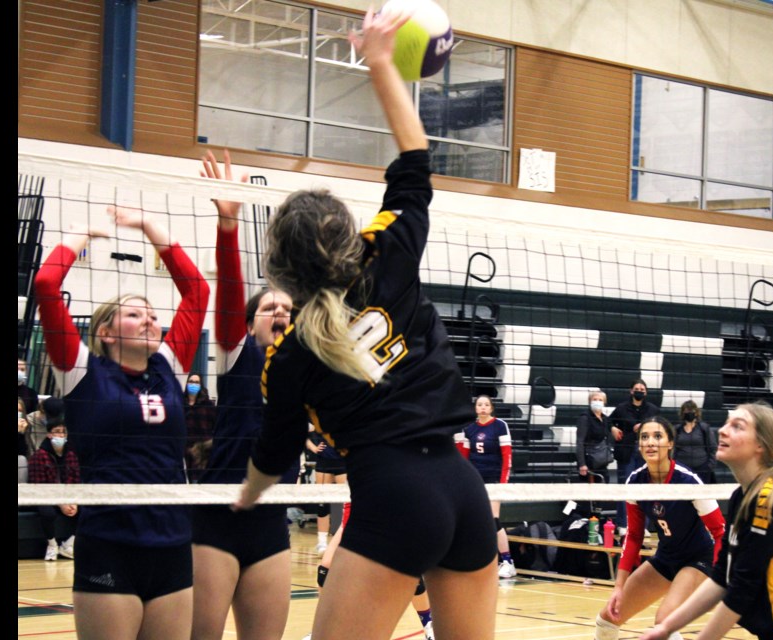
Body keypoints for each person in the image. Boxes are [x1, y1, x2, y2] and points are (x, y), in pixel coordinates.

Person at [234, 10, 499, 640]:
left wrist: (247, 496)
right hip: (463, 489)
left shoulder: (289, 353)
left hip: (394, 496)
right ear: (348, 235)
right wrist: (381, 62)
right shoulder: (388, 255)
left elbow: (273, 454)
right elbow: (414, 158)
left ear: (281, 271)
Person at [34, 207, 209, 640]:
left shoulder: (167, 366)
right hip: (110, 542)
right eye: (135, 315)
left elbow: (197, 293)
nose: (150, 319)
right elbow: (45, 285)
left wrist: (154, 231)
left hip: (171, 543)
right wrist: (77, 236)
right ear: (107, 333)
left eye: (152, 314)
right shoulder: (81, 372)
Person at [189, 149, 295, 640]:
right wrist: (228, 226)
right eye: (269, 306)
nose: (279, 312)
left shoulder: (306, 367)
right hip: (217, 517)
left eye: (287, 309)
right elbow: (230, 291)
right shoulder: (237, 354)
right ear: (250, 321)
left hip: (272, 525)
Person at [640, 403, 773, 640]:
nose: (722, 430)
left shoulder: (767, 500)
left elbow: (742, 589)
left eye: (737, 426)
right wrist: (666, 627)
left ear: (760, 445)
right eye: (726, 423)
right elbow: (722, 577)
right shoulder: (741, 496)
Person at [594, 417, 724, 640]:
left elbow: (720, 531)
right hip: (666, 558)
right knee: (608, 618)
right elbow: (634, 536)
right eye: (645, 437)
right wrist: (618, 586)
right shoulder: (636, 481)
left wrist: (719, 579)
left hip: (698, 559)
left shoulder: (688, 481)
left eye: (657, 436)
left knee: (664, 622)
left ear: (670, 443)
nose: (650, 442)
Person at [303, 501, 436, 640]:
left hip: (387, 516)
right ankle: (324, 630)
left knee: (407, 569)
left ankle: (428, 624)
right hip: (353, 518)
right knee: (326, 569)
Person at [456, 395, 516, 578]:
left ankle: (507, 561)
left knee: (493, 520)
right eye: (479, 405)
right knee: (474, 520)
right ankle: (481, 562)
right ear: (475, 409)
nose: (482, 407)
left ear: (491, 408)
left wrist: (503, 482)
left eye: (486, 405)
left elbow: (507, 455)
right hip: (475, 480)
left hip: (494, 479)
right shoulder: (469, 429)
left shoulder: (499, 425)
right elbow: (463, 456)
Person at [28, 415, 80, 561]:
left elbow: (75, 481)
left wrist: (73, 501)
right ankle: (52, 544)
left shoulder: (71, 454)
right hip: (45, 496)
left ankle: (69, 545)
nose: (61, 435)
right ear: (49, 434)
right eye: (57, 431)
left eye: (63, 432)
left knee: (92, 507)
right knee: (47, 512)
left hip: (66, 496)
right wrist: (60, 503)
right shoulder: (39, 455)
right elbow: (39, 486)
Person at [610, 379, 660, 530]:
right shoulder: (622, 408)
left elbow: (660, 426)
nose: (639, 391)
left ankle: (641, 526)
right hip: (627, 452)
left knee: (643, 487)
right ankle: (623, 524)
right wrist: (613, 428)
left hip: (646, 452)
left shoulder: (653, 409)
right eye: (637, 388)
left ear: (646, 392)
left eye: (642, 389)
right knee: (626, 486)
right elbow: (608, 421)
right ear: (631, 391)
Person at [306, 429, 348, 555]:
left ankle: (344, 541)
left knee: (346, 502)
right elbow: (298, 429)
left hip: (343, 461)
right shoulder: (318, 414)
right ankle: (322, 543)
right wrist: (313, 447)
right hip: (324, 462)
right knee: (322, 503)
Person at [672, 400, 716, 483]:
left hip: (702, 469)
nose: (689, 413)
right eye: (686, 411)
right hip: (682, 469)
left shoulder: (704, 428)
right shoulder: (677, 429)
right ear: (682, 413)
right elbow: (672, 448)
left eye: (691, 411)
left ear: (696, 413)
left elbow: (713, 448)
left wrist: (709, 466)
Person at [184, 372, 217, 482]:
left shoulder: (208, 405)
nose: (193, 385)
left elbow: (215, 427)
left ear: (201, 385)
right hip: (183, 452)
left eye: (197, 382)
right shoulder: (180, 403)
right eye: (191, 382)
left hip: (202, 453)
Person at [576, 389, 612, 483]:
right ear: (590, 402)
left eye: (600, 400)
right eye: (594, 399)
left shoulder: (605, 419)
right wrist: (582, 464)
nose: (597, 402)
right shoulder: (585, 418)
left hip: (602, 461)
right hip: (589, 460)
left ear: (604, 402)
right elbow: (580, 442)